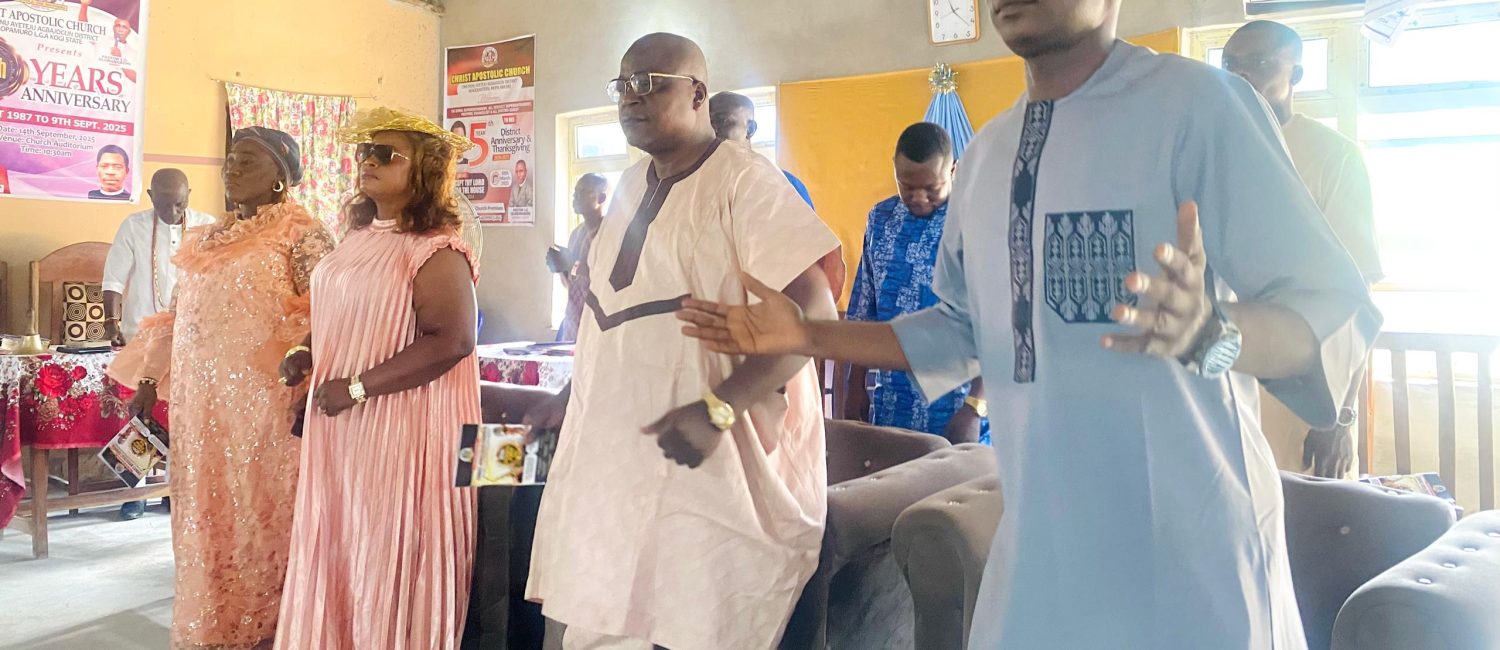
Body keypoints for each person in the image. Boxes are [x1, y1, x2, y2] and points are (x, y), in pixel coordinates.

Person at [675, 0, 1381, 646]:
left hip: (1188, 553)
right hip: (1042, 549)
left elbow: (1328, 305)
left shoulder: (1200, 106)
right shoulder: (988, 155)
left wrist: (1216, 332)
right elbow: (960, 331)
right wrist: (808, 335)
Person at [524, 33, 840, 649]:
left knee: (692, 622)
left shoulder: (743, 180)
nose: (630, 98)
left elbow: (814, 315)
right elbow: (611, 317)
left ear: (697, 93)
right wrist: (571, 398)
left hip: (709, 468)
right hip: (616, 463)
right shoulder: (627, 186)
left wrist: (720, 407)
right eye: (622, 86)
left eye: (648, 84)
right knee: (597, 615)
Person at [108, 127, 335, 648]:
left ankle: (270, 629)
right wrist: (149, 378)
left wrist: (303, 378)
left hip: (265, 402)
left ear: (281, 175)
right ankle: (215, 623)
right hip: (200, 401)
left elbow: (326, 314)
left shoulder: (303, 234)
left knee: (260, 509)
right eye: (231, 158)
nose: (232, 168)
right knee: (206, 508)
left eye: (249, 160)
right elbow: (177, 315)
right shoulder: (209, 237)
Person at [275, 107, 480, 649]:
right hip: (343, 422)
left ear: (424, 169)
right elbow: (343, 311)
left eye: (385, 154)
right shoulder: (359, 236)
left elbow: (452, 340)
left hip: (400, 425)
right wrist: (305, 350)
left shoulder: (436, 249)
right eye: (365, 151)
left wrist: (357, 387)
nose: (368, 160)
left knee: (384, 542)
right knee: (343, 536)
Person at [1225, 19, 1383, 479]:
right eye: (1230, 64)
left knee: (1302, 516)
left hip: (1303, 400)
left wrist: (1340, 416)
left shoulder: (1335, 158)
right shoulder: (1211, 151)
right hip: (1224, 387)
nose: (1241, 73)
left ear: (1295, 74)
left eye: (1259, 62)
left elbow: (1357, 298)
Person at [846, 123, 987, 444]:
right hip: (892, 403)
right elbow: (865, 307)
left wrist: (975, 407)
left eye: (932, 188)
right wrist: (855, 385)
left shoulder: (976, 221)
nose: (919, 198)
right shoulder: (881, 219)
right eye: (907, 186)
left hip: (960, 407)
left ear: (953, 171)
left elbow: (1001, 323)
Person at [101, 167, 212, 521]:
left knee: (181, 415)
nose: (172, 212)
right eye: (163, 205)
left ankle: (173, 490)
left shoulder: (207, 227)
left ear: (189, 195)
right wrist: (111, 324)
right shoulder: (133, 226)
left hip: (192, 338)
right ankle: (135, 492)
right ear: (150, 198)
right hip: (143, 336)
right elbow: (114, 280)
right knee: (141, 413)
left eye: (178, 204)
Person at [709, 90, 848, 301]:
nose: (713, 132)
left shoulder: (783, 185)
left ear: (750, 129)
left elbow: (808, 260)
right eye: (708, 124)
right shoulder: (697, 185)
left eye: (722, 121)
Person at [550, 173, 608, 342]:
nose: (576, 195)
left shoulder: (608, 231)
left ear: (601, 198)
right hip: (574, 320)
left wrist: (572, 265)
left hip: (598, 320)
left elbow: (605, 277)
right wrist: (560, 268)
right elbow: (571, 284)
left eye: (583, 191)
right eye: (575, 191)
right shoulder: (576, 234)